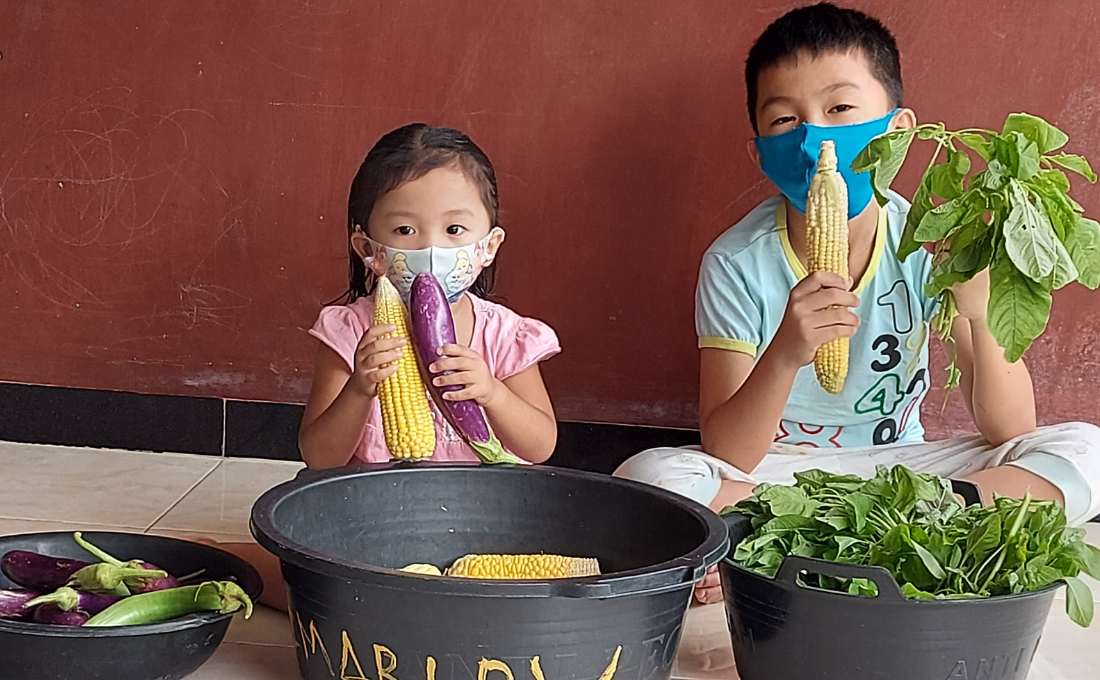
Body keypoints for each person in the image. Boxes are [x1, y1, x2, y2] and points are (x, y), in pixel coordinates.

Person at [613, 2, 1100, 605]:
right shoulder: (736, 262)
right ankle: (909, 547)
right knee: (651, 478)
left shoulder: (933, 239)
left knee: (1086, 450)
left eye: (841, 109)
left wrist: (977, 311)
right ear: (759, 152)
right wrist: (786, 353)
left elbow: (1011, 428)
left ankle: (805, 545)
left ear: (897, 131)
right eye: (785, 120)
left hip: (912, 475)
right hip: (781, 475)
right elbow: (728, 452)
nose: (815, 137)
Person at [205, 123, 562, 610]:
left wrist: (493, 393)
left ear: (489, 244)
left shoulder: (507, 335)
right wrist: (358, 388)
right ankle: (225, 561)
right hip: (372, 518)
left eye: (455, 229)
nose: (429, 249)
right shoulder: (349, 332)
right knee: (316, 575)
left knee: (527, 581)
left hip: (483, 519)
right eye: (404, 230)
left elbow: (540, 446)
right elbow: (319, 456)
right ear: (368, 249)